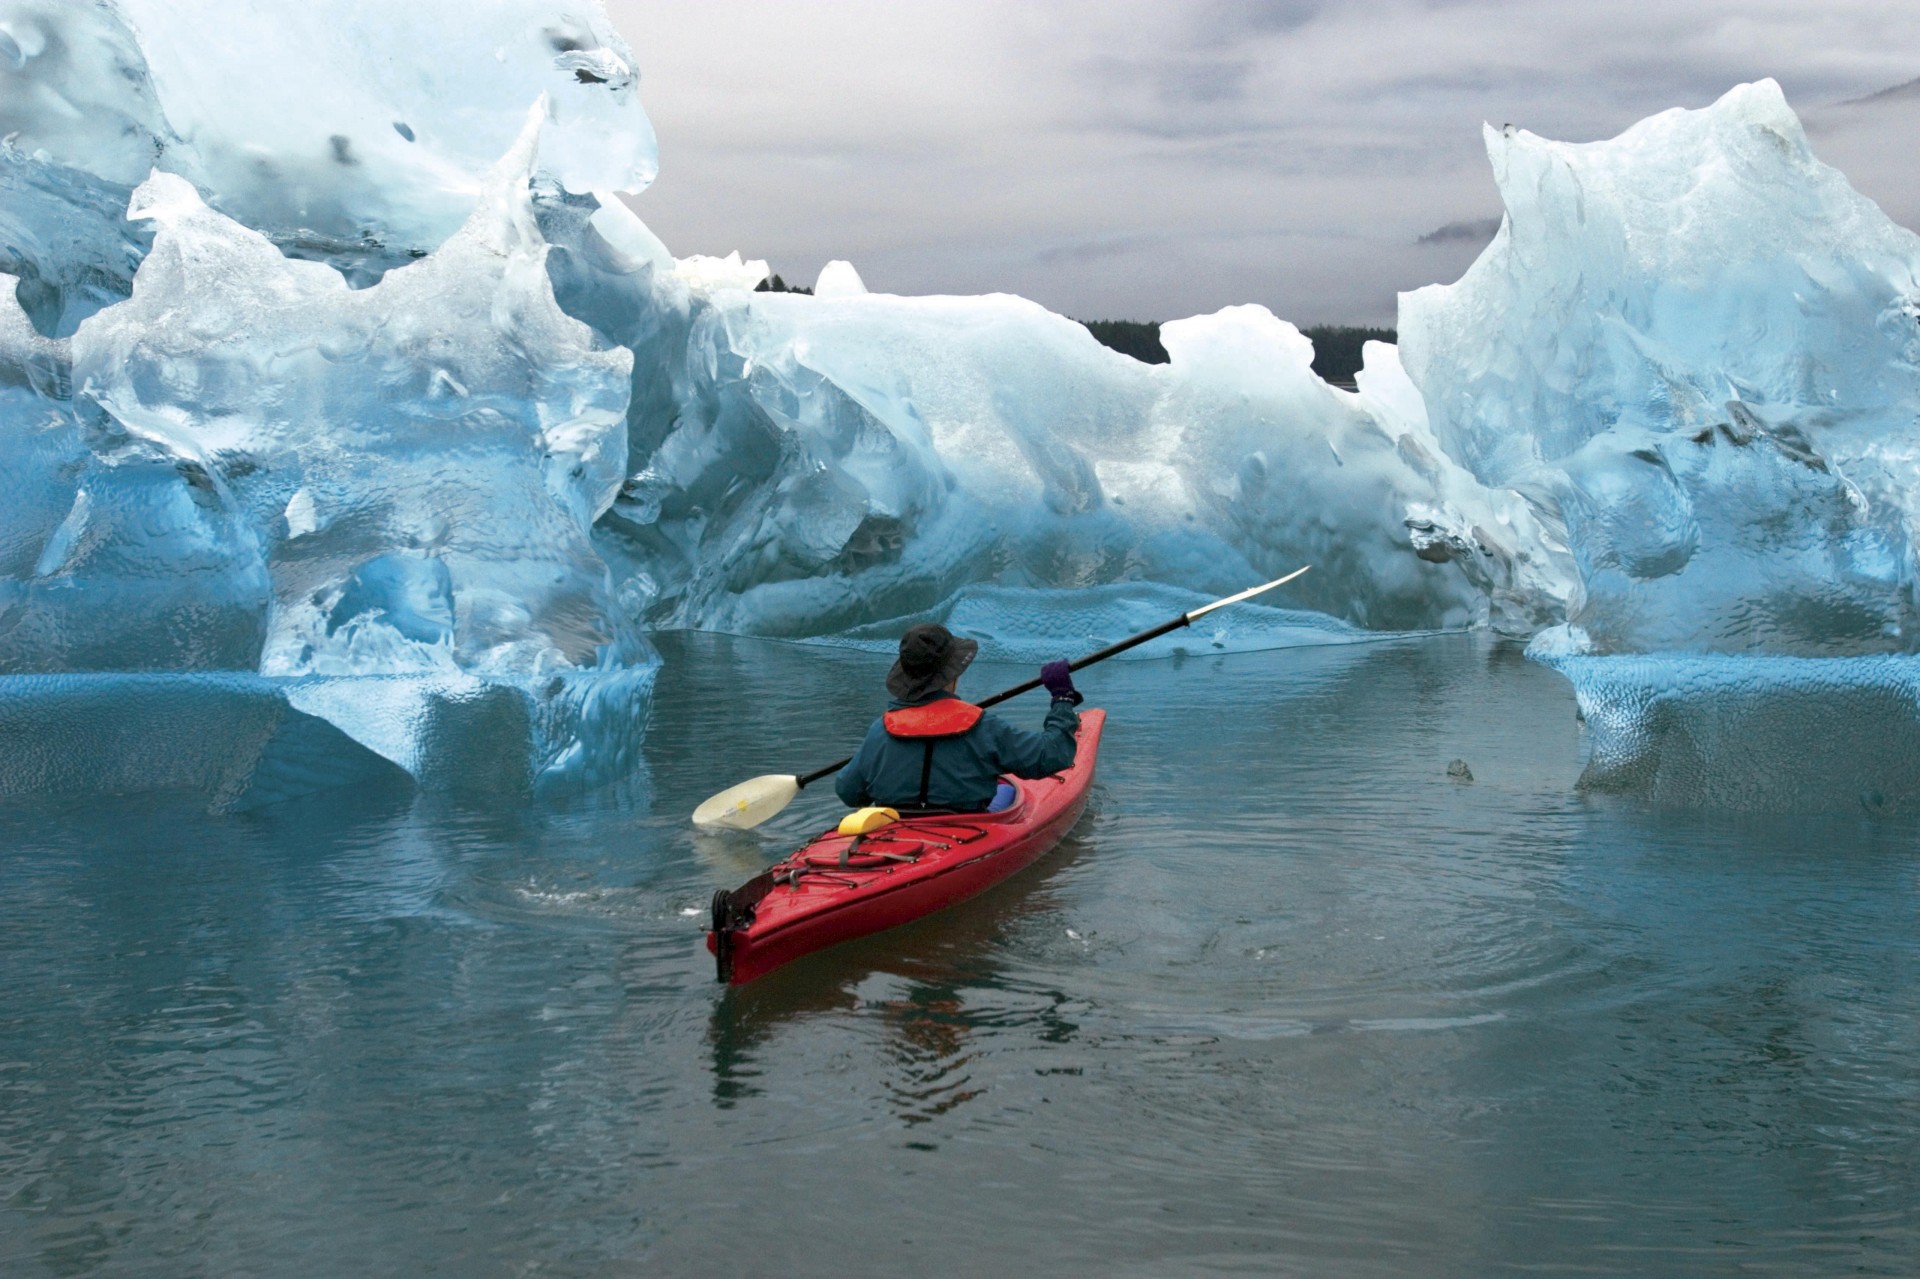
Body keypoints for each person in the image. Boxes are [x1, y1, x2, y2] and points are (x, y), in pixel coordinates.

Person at [834, 623, 1083, 813]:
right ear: (951, 675)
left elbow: (848, 793)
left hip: (895, 830)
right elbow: (1055, 754)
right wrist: (1062, 699)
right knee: (1007, 788)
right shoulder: (982, 727)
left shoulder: (880, 732)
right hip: (966, 828)